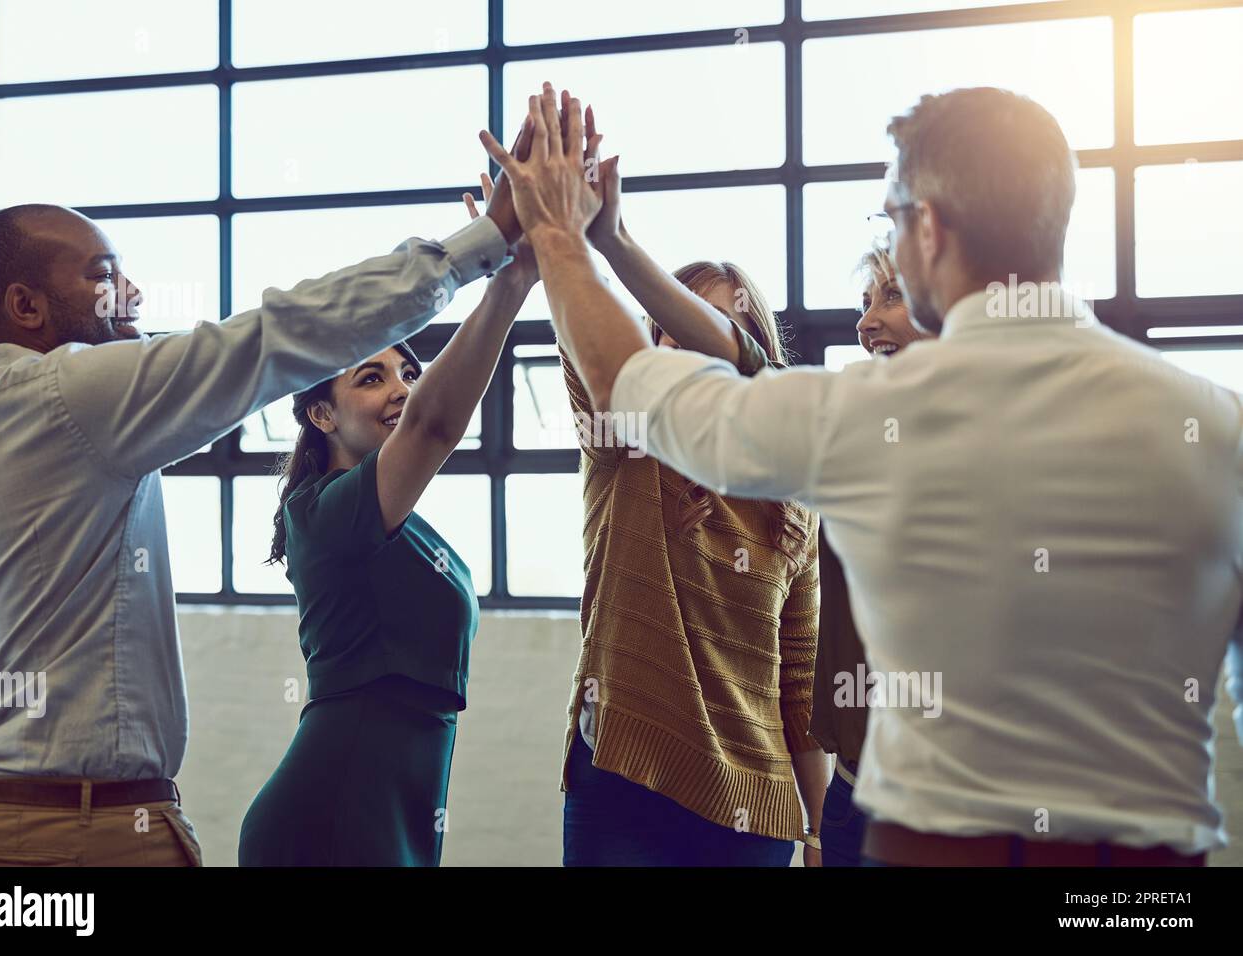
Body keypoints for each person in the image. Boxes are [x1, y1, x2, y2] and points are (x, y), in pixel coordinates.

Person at [485, 84, 1243, 866]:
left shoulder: (863, 420)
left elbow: (627, 378)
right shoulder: (1219, 428)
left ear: (930, 230)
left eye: (893, 218)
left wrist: (558, 232)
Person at [0, 136, 522, 865]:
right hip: (73, 834)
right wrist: (487, 242)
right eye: (103, 277)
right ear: (25, 306)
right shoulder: (71, 393)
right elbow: (279, 336)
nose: (133, 296)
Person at [472, 124, 828, 865]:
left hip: (752, 815)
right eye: (672, 326)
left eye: (721, 326)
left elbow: (801, 692)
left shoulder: (794, 507)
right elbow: (594, 352)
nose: (693, 340)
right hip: (624, 785)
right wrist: (553, 228)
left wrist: (824, 835)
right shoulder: (629, 445)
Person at [238, 123, 538, 866]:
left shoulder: (400, 522)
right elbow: (434, 426)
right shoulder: (324, 515)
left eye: (406, 369)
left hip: (404, 807)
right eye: (370, 378)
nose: (402, 387)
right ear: (320, 414)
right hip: (331, 812)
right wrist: (509, 275)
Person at [813, 241, 933, 867]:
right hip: (853, 797)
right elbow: (747, 370)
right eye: (864, 303)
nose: (865, 323)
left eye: (892, 297)